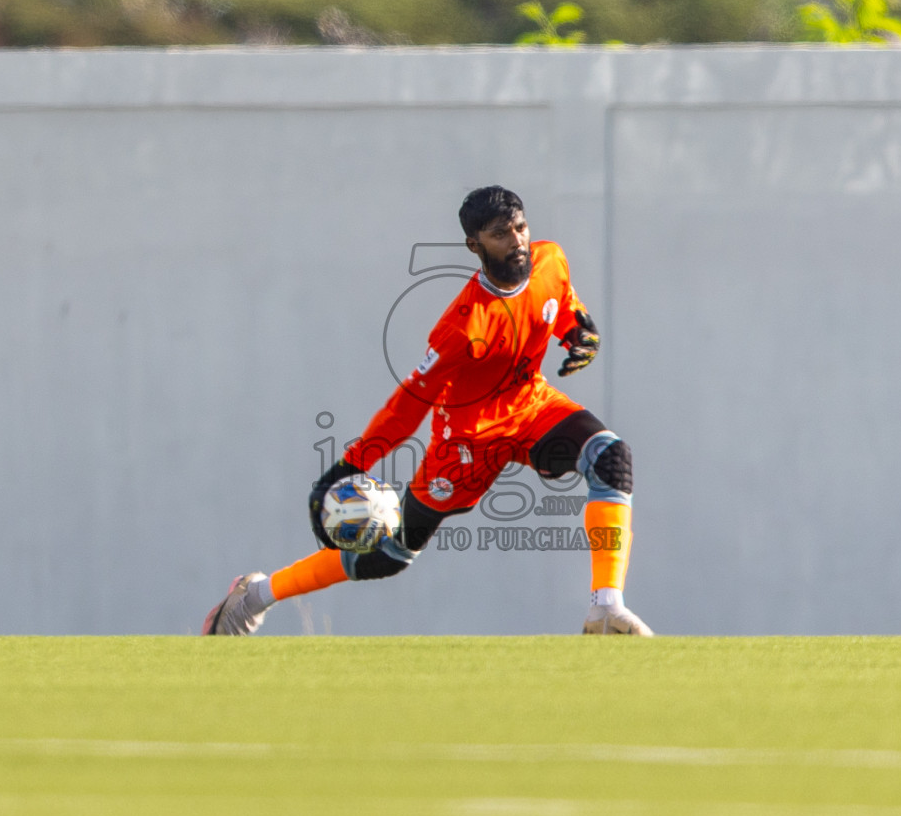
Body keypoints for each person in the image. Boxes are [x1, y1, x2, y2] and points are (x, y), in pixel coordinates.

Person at [202, 186, 653, 636]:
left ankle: (606, 608)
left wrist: (579, 332)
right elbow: (408, 405)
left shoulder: (550, 259)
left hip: (531, 407)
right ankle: (254, 595)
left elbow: (562, 306)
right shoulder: (460, 327)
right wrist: (345, 467)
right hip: (466, 442)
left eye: (520, 227)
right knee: (389, 556)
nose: (517, 241)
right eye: (500, 234)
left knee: (611, 458)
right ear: (474, 246)